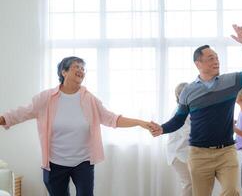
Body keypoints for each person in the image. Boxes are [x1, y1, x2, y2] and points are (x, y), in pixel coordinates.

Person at [0, 56, 152, 196]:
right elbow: (23, 112)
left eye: (83, 68)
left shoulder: (90, 99)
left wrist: (140, 123)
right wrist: (3, 119)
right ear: (63, 72)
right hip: (54, 163)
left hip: (83, 162)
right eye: (76, 67)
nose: (81, 70)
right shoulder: (46, 98)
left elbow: (112, 119)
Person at [149, 24, 242, 196]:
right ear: (198, 63)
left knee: (231, 191)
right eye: (210, 58)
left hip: (226, 152)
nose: (216, 61)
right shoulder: (188, 91)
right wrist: (162, 128)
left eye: (217, 57)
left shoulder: (231, 81)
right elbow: (178, 120)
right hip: (198, 154)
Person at [166, 82, 192, 196]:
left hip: (184, 152)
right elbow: (188, 133)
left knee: (193, 183)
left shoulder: (188, 109)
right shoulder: (180, 112)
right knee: (189, 183)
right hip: (178, 153)